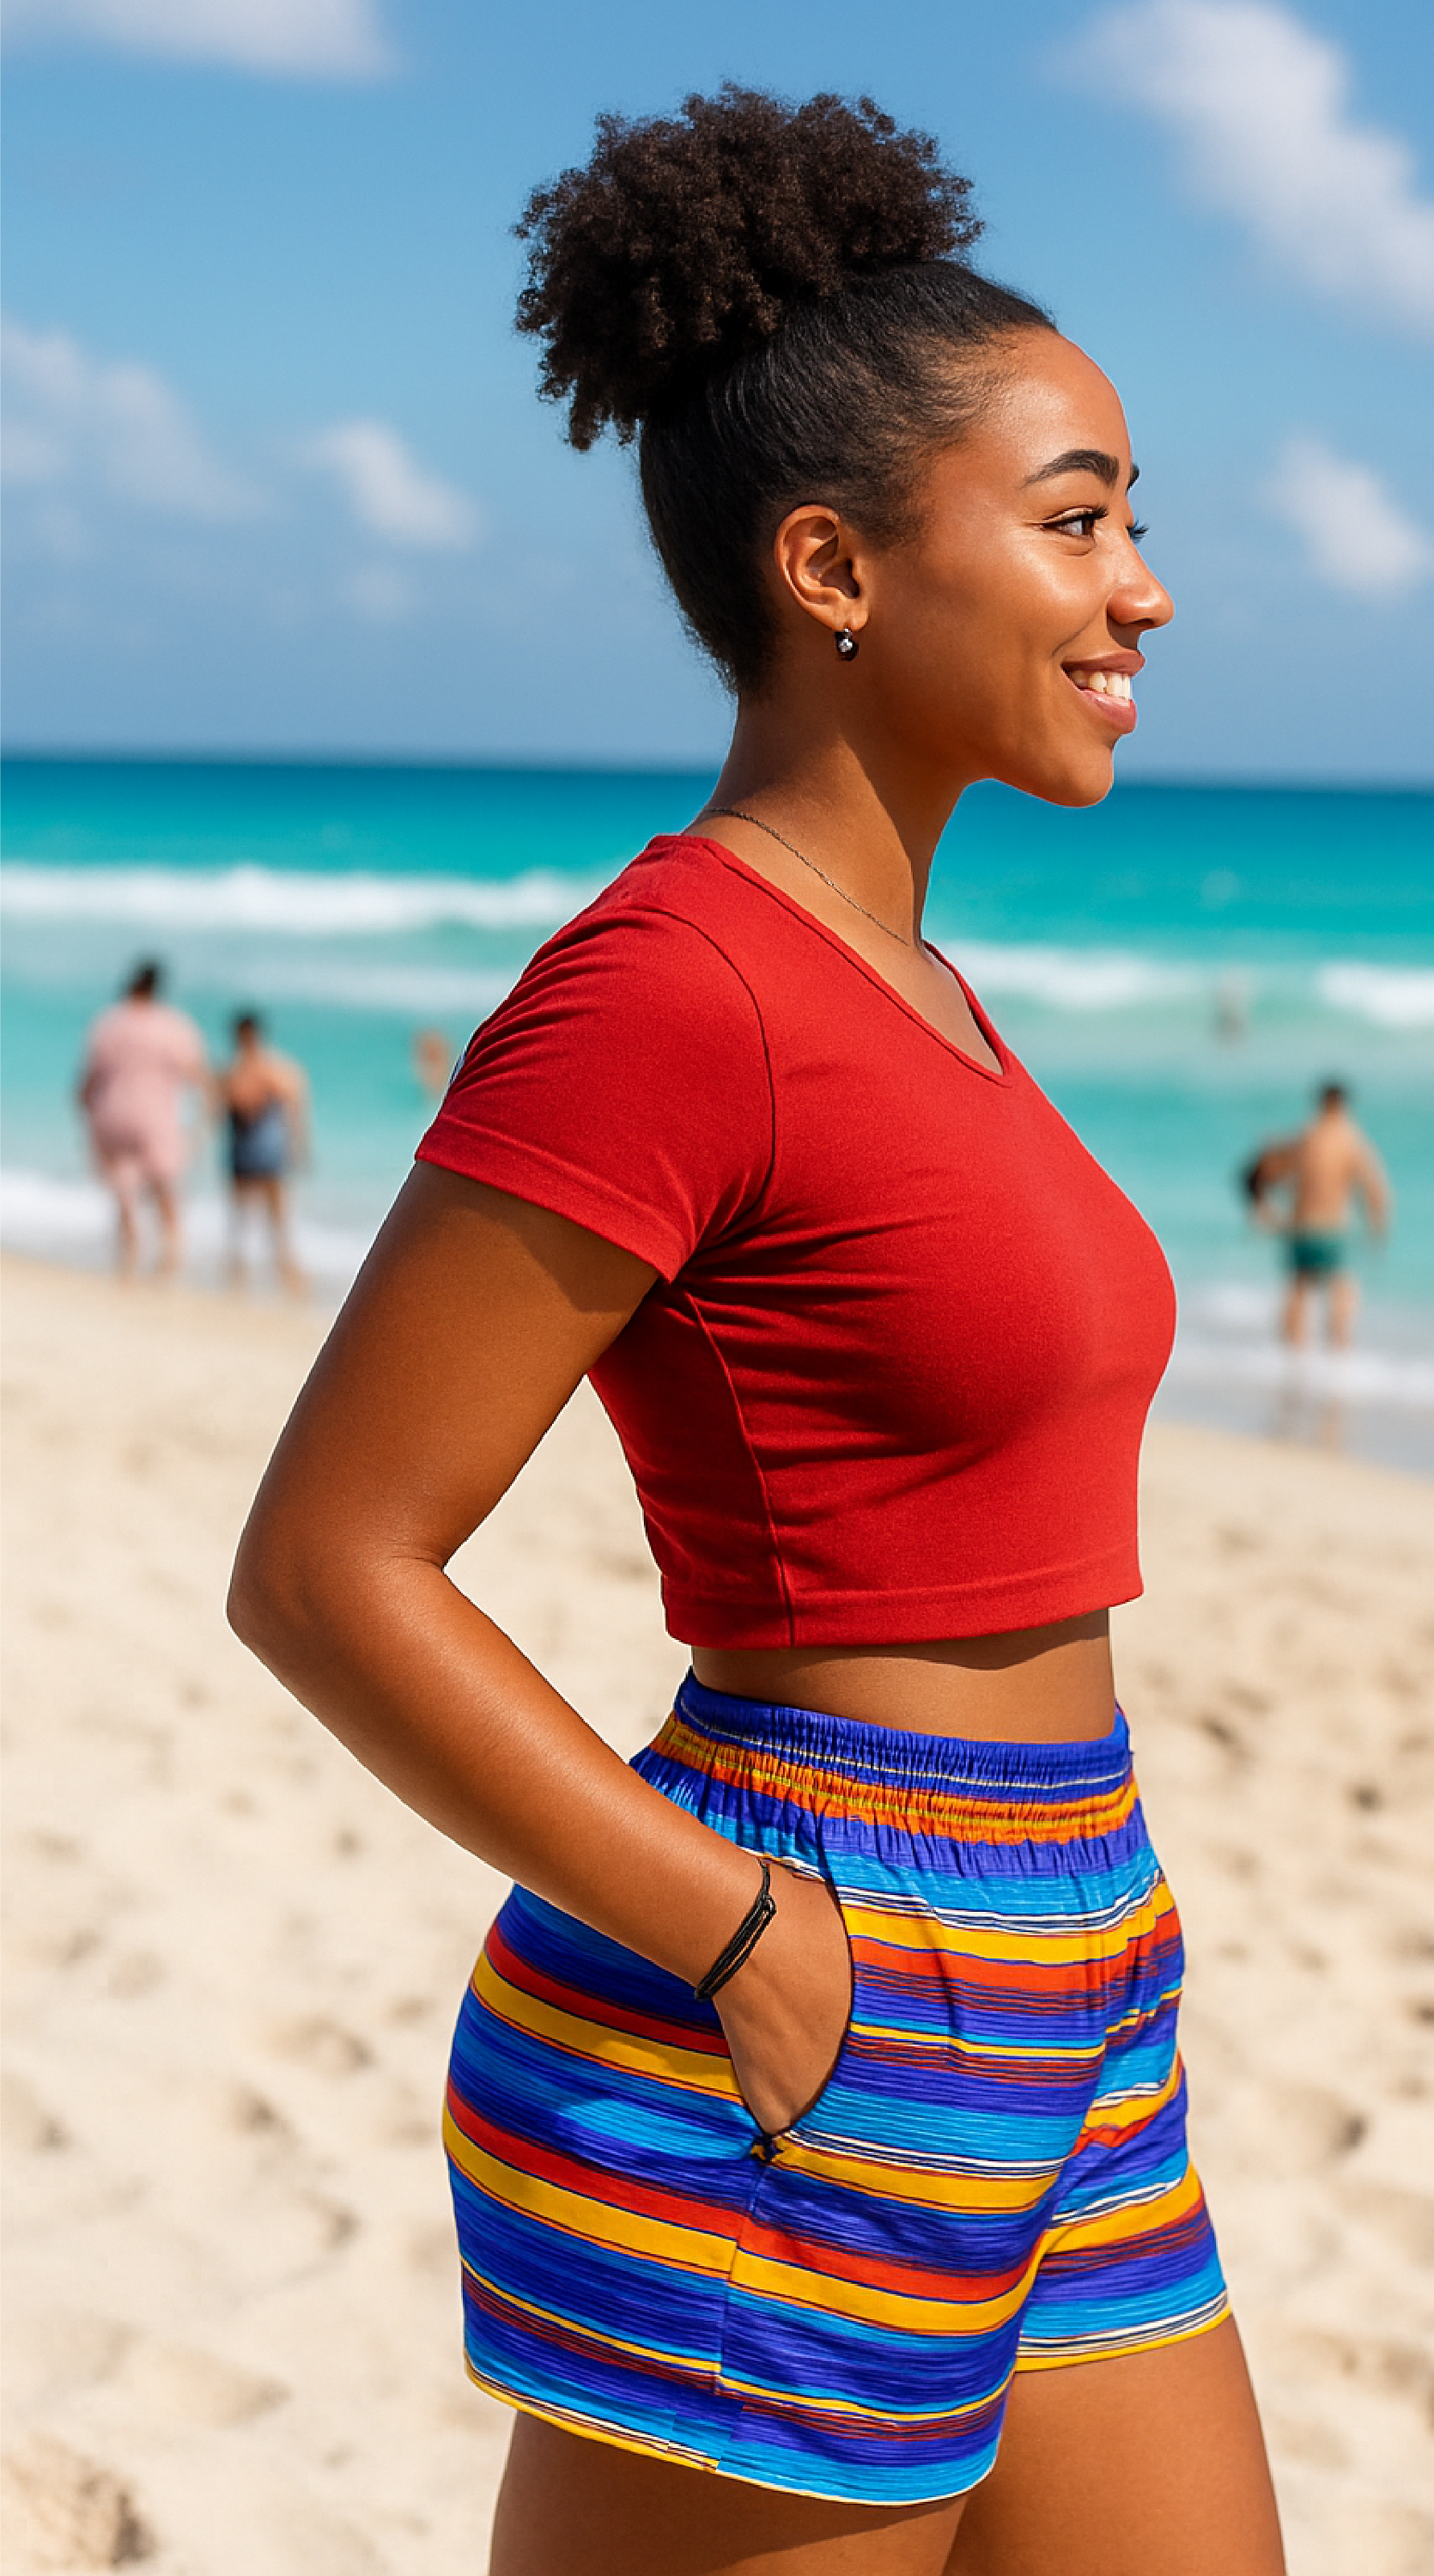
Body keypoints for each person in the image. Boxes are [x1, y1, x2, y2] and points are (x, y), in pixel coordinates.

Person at [229, 90, 1284, 2576]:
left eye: (1134, 514)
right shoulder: (667, 987)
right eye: (1075, 514)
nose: (1142, 587)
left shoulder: (913, 979)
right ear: (830, 562)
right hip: (798, 1987)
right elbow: (330, 1563)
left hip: (1073, 1966)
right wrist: (733, 1924)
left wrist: (1065, 1921)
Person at [76, 959, 210, 1280]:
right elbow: (197, 1076)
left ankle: (130, 1253)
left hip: (112, 1114)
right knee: (165, 1186)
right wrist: (204, 1123)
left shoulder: (109, 1023)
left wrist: (85, 1109)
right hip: (156, 1117)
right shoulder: (174, 1026)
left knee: (123, 1188)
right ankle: (170, 1253)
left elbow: (90, 1078)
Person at [1248, 1080, 1390, 1352]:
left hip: (1300, 1227)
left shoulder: (1305, 1137)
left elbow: (1268, 1172)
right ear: (1344, 1105)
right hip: (1331, 1228)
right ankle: (1338, 1359)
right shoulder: (1352, 1141)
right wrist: (1377, 1228)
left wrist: (1262, 1209)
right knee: (1340, 1293)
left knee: (1298, 1292)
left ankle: (1290, 1358)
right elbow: (1374, 1188)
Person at [220, 1011, 310, 1294]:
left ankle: (246, 1279)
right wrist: (299, 1146)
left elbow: (237, 1106)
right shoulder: (276, 1069)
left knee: (247, 1218)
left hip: (252, 1150)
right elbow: (295, 1110)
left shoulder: (238, 1071)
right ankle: (282, 1279)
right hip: (264, 1151)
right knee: (271, 1219)